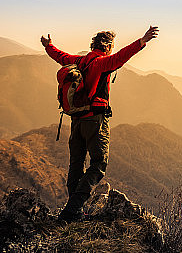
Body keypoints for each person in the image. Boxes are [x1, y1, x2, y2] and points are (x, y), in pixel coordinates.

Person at [40, 26, 159, 222]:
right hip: (95, 120)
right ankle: (72, 211)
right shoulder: (102, 63)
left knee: (76, 164)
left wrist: (48, 46)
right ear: (108, 47)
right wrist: (142, 41)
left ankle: (74, 210)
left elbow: (61, 57)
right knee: (98, 164)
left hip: (76, 121)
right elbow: (121, 57)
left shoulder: (79, 61)